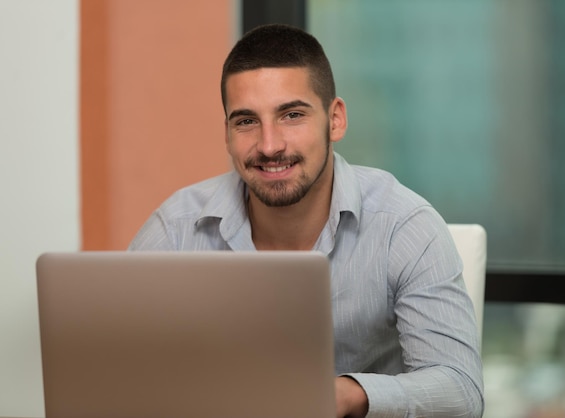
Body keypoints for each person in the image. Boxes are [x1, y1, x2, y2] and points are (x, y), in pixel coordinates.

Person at [129, 23, 484, 418]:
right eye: (245, 121)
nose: (269, 145)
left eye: (292, 115)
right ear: (227, 134)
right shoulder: (176, 230)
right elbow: (117, 374)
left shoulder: (404, 226)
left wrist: (348, 395)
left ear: (335, 120)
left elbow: (460, 391)